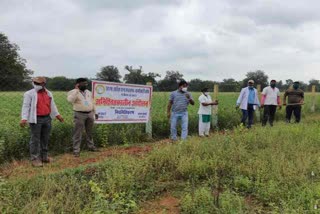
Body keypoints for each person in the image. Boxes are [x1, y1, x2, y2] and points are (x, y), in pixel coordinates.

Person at [20, 76, 64, 167]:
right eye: (35, 83)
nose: (36, 85)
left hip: (47, 118)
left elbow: (53, 105)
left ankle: (44, 157)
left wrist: (58, 115)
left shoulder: (48, 93)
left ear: (44, 84)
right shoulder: (29, 94)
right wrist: (24, 118)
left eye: (38, 84)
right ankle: (35, 159)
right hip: (36, 119)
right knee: (35, 139)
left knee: (45, 138)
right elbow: (26, 106)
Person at [67, 78, 99, 157]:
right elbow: (70, 100)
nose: (85, 85)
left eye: (86, 83)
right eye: (83, 83)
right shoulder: (73, 92)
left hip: (90, 114)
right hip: (79, 114)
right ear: (78, 84)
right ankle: (76, 150)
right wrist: (76, 90)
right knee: (78, 133)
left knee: (89, 132)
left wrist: (95, 112)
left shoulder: (88, 92)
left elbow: (93, 102)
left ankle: (91, 147)